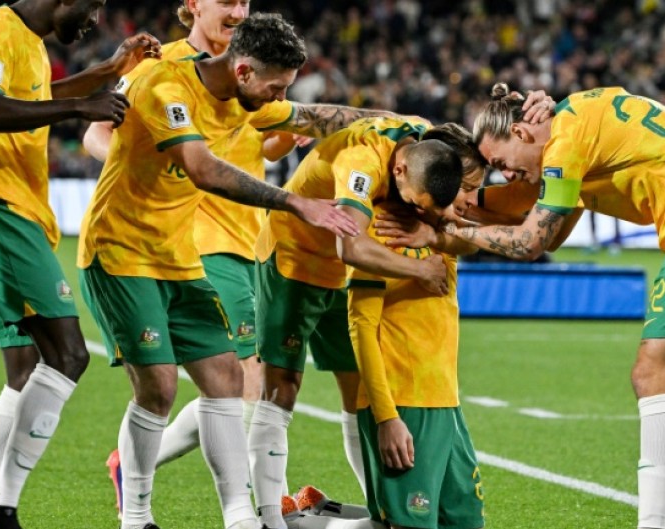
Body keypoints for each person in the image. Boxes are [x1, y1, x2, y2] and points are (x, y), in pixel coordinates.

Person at [76, 13, 412, 529]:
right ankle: (143, 515)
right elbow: (198, 166)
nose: (235, 8)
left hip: (197, 249)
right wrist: (295, 203)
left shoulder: (245, 93)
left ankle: (241, 517)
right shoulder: (164, 74)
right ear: (244, 72)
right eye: (274, 85)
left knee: (227, 378)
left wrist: (397, 123)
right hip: (128, 248)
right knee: (168, 386)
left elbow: (315, 115)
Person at [443, 84, 665, 529]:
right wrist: (465, 204)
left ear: (520, 130)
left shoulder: (565, 141)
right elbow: (542, 222)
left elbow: (533, 242)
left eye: (499, 164)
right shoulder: (572, 129)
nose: (504, 174)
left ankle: (656, 522)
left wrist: (453, 230)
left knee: (653, 374)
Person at [0, 1, 162, 528]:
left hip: (4, 208)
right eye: (92, 6)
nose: (94, 18)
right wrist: (78, 110)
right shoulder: (0, 30)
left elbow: (31, 97)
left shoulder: (30, 43)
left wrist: (106, 73)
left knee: (24, 374)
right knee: (68, 355)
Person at [81, 0, 305, 509]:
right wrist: (150, 154)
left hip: (247, 233)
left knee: (241, 376)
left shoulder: (258, 67)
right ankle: (260, 504)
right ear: (192, 6)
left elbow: (267, 147)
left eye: (244, 1)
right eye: (226, 1)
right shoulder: (164, 65)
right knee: (246, 374)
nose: (239, 10)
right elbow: (101, 133)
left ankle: (142, 461)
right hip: (196, 236)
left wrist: (285, 136)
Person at [248, 117, 469, 529]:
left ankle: (380, 508)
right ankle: (266, 518)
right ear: (398, 170)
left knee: (359, 389)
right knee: (282, 386)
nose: (416, 212)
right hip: (297, 258)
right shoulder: (361, 165)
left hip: (348, 272)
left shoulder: (424, 144)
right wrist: (419, 270)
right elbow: (350, 244)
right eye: (414, 202)